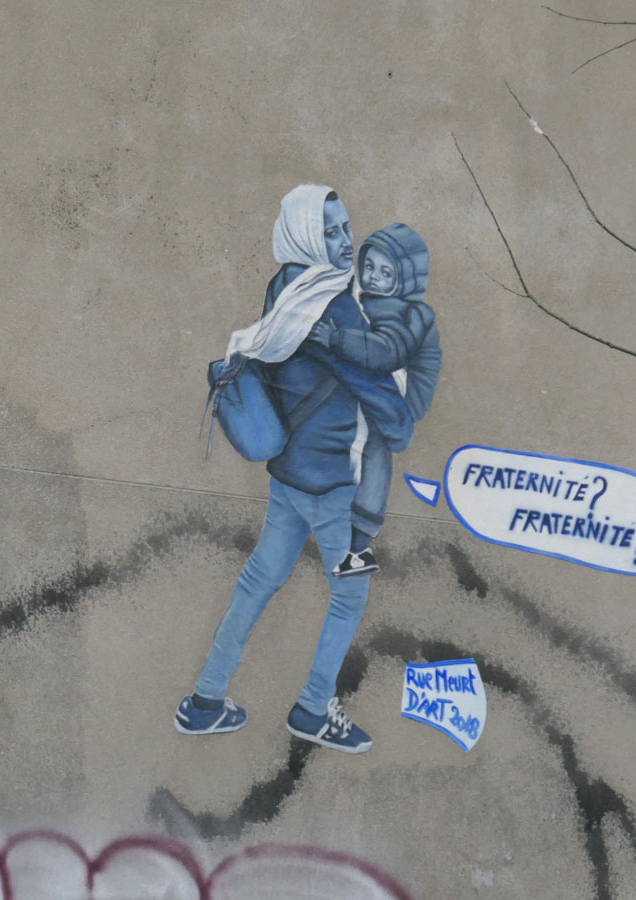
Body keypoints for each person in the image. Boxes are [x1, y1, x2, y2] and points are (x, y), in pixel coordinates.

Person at [176, 184, 403, 754]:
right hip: (332, 484)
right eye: (329, 231)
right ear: (305, 235)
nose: (345, 240)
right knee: (349, 595)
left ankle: (205, 702)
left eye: (346, 226)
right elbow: (385, 396)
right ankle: (313, 708)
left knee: (258, 580)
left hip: (289, 475)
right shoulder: (335, 305)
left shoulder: (289, 286)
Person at [306, 224, 441, 577]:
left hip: (404, 394)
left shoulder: (408, 313)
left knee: (376, 455)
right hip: (390, 381)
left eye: (386, 272)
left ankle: (360, 546)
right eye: (369, 267)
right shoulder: (373, 300)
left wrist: (336, 339)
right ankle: (353, 541)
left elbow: (385, 353)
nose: (374, 277)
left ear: (405, 279)